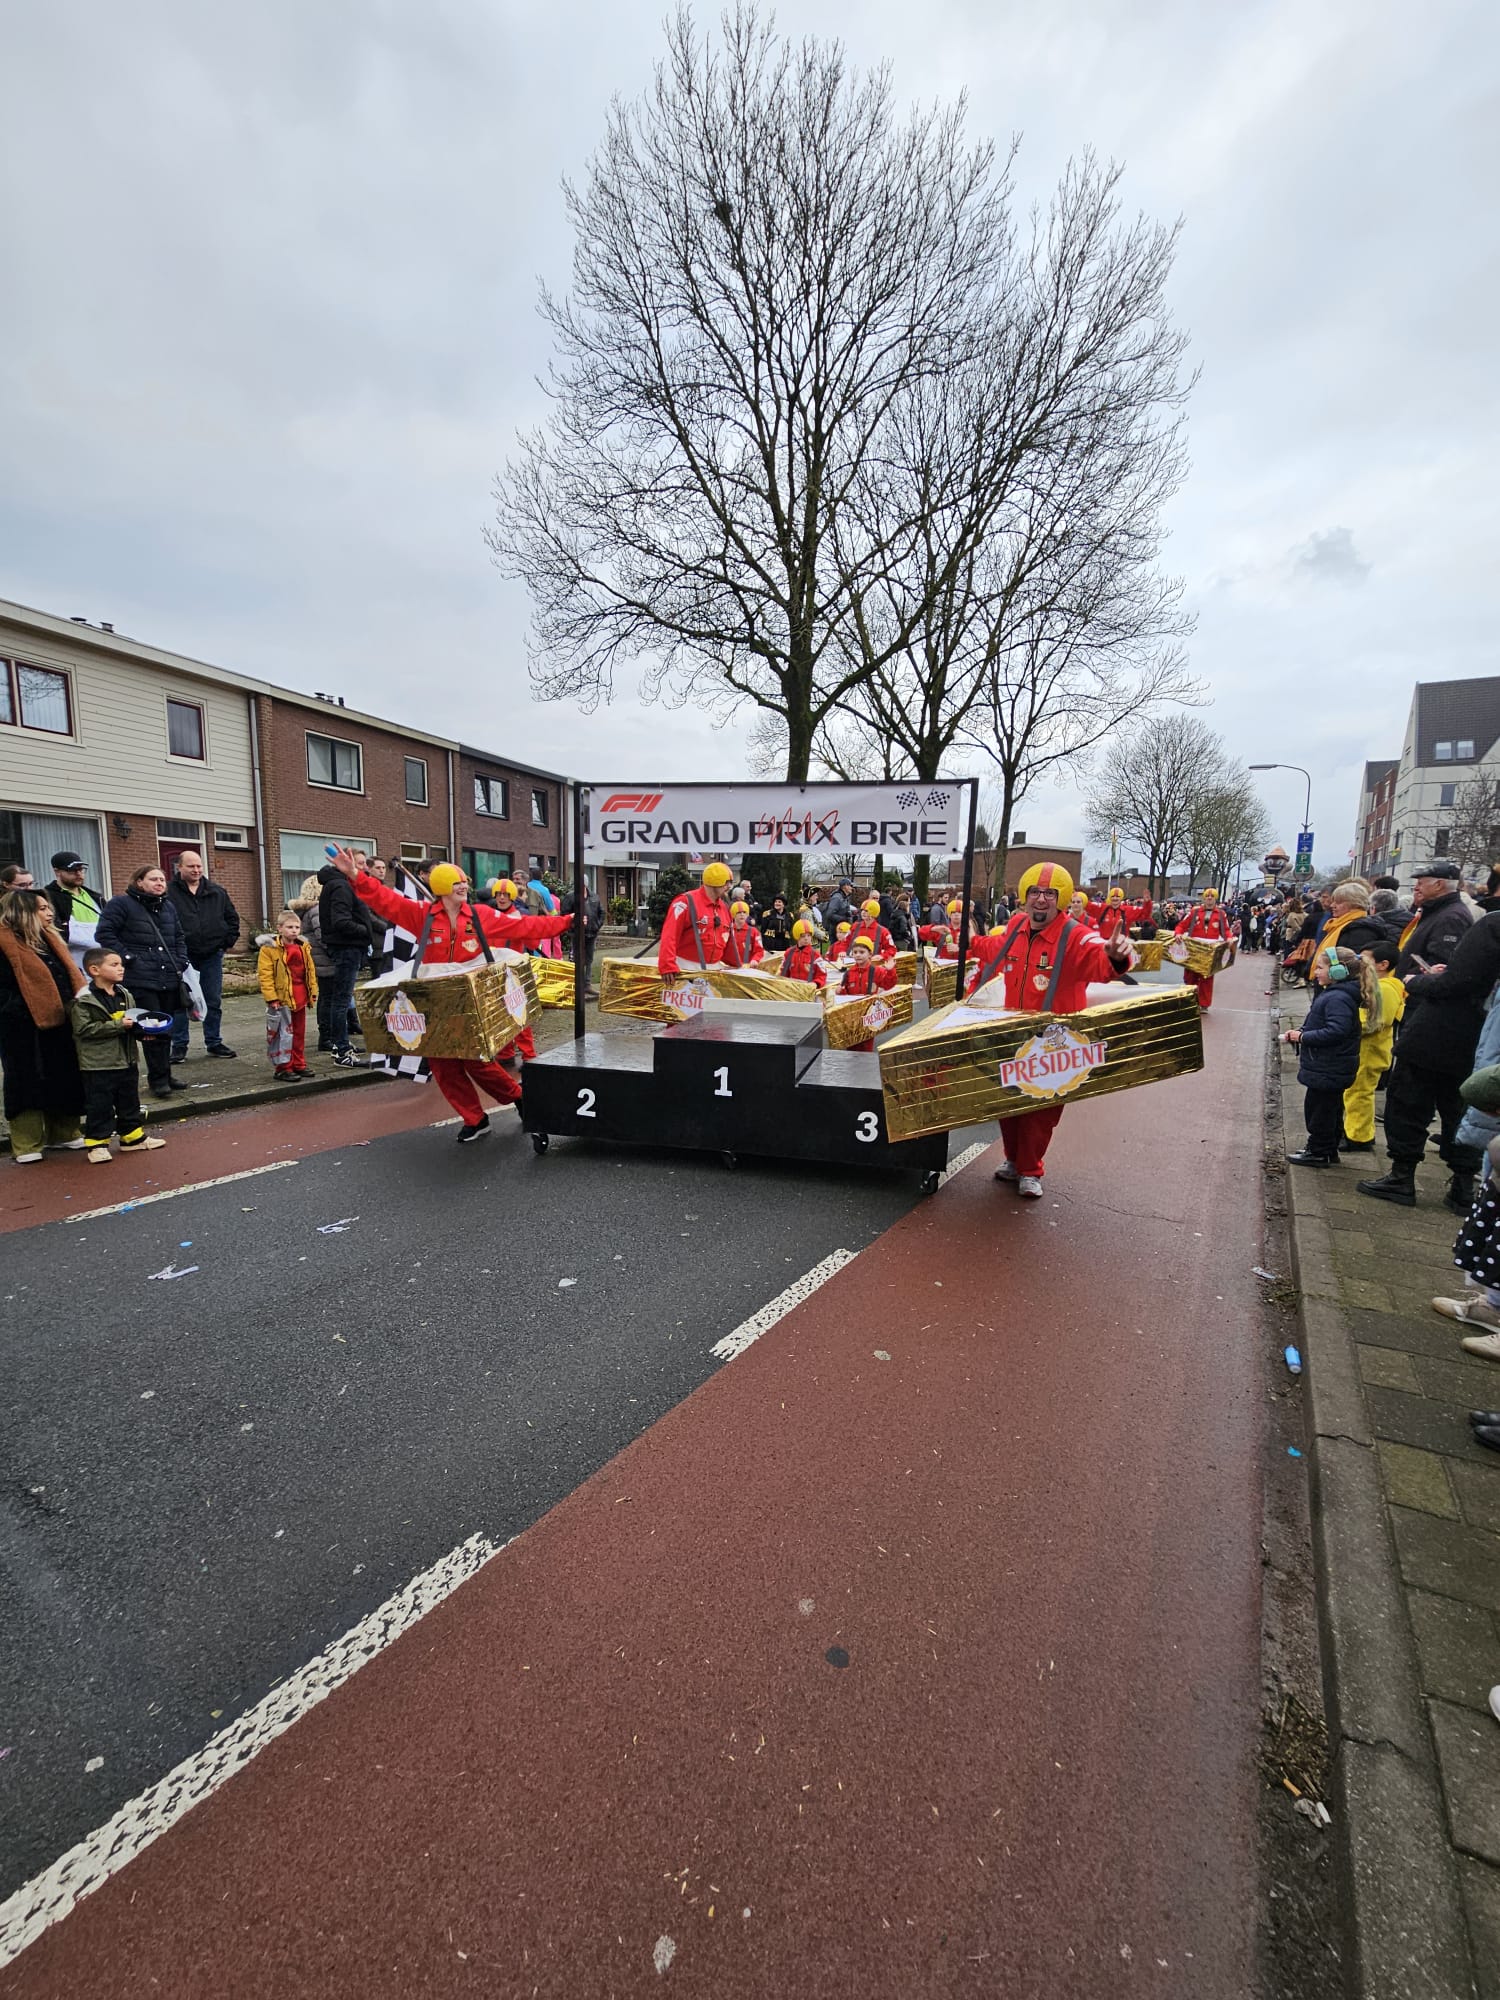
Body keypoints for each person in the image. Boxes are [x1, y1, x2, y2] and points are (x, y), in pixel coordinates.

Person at [329, 852, 570, 1141]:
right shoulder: (421, 915)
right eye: (456, 883)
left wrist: (567, 922)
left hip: (469, 1003)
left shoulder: (479, 915)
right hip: (435, 1004)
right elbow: (384, 900)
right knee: (443, 1067)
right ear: (442, 886)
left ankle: (517, 1097)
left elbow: (526, 926)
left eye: (464, 882)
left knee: (477, 1062)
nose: (463, 886)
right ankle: (475, 1119)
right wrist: (356, 876)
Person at [983, 863, 1132, 1197]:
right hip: (1014, 1031)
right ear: (1025, 896)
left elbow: (1099, 958)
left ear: (1061, 898)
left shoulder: (1075, 934)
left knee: (1042, 1109)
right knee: (1009, 1100)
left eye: (1049, 893)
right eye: (1035, 892)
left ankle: (1031, 1169)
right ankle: (1013, 1159)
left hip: (1055, 1041)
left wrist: (1115, 957)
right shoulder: (1016, 925)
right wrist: (968, 942)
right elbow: (995, 951)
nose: (1041, 899)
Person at [1358, 861, 1482, 1211]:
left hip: (1434, 1028)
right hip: (1442, 1029)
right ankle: (1459, 1186)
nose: (1415, 888)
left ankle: (1405, 1177)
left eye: (1421, 883)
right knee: (1450, 1105)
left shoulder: (1450, 919)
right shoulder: (1438, 914)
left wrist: (1417, 981)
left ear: (1440, 885)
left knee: (1410, 1101)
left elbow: (1450, 977)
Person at [0, 888, 87, 1161]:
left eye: (48, 907)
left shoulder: (49, 939)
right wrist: (16, 1007)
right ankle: (27, 1143)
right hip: (21, 1027)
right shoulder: (4, 943)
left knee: (63, 1074)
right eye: (41, 909)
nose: (49, 913)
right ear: (22, 912)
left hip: (61, 1019)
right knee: (25, 1079)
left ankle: (64, 1132)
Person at [95, 865, 189, 1100]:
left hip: (168, 977)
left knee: (166, 1029)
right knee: (151, 1030)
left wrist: (181, 960)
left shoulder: (168, 906)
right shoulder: (121, 904)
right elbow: (105, 934)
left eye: (162, 880)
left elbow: (178, 936)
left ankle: (165, 1074)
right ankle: (158, 1081)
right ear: (139, 882)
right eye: (153, 879)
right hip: (141, 980)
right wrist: (128, 959)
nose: (159, 883)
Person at [70, 945, 167, 1162]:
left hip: (127, 1059)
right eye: (114, 965)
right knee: (100, 1105)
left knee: (129, 1101)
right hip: (98, 1064)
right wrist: (119, 1025)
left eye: (121, 964)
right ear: (94, 970)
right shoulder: (84, 1000)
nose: (121, 968)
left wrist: (144, 1032)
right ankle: (97, 1144)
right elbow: (83, 1030)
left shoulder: (125, 994)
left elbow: (132, 1022)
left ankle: (132, 1138)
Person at [1282, 946, 1369, 1165]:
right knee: (1330, 1109)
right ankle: (1328, 1149)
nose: (1316, 972)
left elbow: (1336, 1031)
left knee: (1318, 1111)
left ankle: (1318, 1151)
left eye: (1320, 968)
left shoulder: (1337, 998)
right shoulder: (1339, 994)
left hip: (1328, 1067)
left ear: (1338, 971)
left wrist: (1303, 1037)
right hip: (1331, 1066)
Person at [166, 850, 240, 1063]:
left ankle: (214, 1042)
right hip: (181, 956)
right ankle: (179, 1046)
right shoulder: (169, 893)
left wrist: (225, 944)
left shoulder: (217, 892)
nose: (196, 870)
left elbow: (232, 919)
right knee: (180, 1000)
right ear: (179, 867)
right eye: (191, 866)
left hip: (211, 955)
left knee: (212, 999)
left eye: (199, 866)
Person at [1342, 939, 1405, 1153]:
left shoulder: (1385, 989)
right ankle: (1357, 1131)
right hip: (1368, 1049)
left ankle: (1358, 1136)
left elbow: (1375, 1021)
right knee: (1355, 1092)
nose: (1360, 963)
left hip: (1370, 1051)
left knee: (1359, 1093)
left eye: (1364, 959)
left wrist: (1347, 1022)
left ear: (1383, 964)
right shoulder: (1381, 985)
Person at [316, 858, 374, 1069]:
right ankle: (342, 1051)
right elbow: (341, 921)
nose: (365, 867)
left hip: (345, 947)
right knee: (341, 1000)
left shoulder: (337, 884)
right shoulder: (341, 886)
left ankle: (339, 1044)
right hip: (347, 948)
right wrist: (366, 931)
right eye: (360, 863)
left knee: (338, 999)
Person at [258, 911, 318, 1081]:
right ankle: (283, 1067)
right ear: (279, 928)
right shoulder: (269, 949)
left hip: (300, 996)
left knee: (299, 1033)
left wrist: (312, 992)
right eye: (289, 927)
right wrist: (272, 997)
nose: (294, 930)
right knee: (283, 1035)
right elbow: (266, 975)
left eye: (297, 927)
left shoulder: (303, 947)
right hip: (282, 998)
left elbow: (310, 972)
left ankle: (299, 1063)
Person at [658, 862, 737, 976]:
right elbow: (670, 935)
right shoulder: (685, 902)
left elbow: (729, 943)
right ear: (715, 881)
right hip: (685, 968)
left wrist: (738, 966)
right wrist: (667, 966)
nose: (729, 887)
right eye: (727, 883)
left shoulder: (724, 908)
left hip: (714, 970)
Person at [831, 932, 898, 1049]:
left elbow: (888, 985)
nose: (858, 955)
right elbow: (844, 996)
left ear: (870, 954)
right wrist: (839, 991)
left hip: (868, 1015)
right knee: (850, 1046)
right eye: (855, 952)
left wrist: (890, 971)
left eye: (862, 952)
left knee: (866, 1047)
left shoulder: (877, 971)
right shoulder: (848, 973)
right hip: (852, 1016)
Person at [43, 850, 105, 969]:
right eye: (72, 870)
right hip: (73, 962)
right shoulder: (48, 898)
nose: (78, 874)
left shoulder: (96, 897)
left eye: (81, 869)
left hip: (102, 961)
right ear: (57, 872)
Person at [1174, 888, 1235, 1010]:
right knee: (1190, 976)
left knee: (1207, 977)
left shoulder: (1221, 914)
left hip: (1210, 951)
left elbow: (1226, 930)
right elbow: (1181, 925)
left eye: (1212, 896)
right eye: (1207, 896)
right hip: (1194, 949)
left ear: (1215, 898)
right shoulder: (1194, 911)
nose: (1209, 898)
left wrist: (1229, 938)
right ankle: (1190, 1001)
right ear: (1204, 898)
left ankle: (1204, 1004)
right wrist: (1178, 934)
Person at [561, 879, 606, 995]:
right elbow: (564, 914)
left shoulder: (594, 896)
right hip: (577, 934)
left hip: (592, 933)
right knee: (577, 958)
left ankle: (587, 984)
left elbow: (602, 912)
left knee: (589, 958)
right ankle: (578, 984)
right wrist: (573, 926)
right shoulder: (570, 897)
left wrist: (597, 925)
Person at [781, 919, 826, 987]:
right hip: (791, 988)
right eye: (803, 936)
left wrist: (816, 983)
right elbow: (783, 973)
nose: (806, 938)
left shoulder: (816, 955)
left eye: (809, 935)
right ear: (797, 936)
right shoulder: (789, 953)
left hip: (808, 989)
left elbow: (822, 975)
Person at [726, 901, 765, 965]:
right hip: (727, 967)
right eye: (739, 912)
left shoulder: (754, 931)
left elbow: (759, 950)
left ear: (747, 915)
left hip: (746, 967)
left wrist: (755, 960)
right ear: (733, 915)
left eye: (744, 912)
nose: (742, 914)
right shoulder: (727, 930)